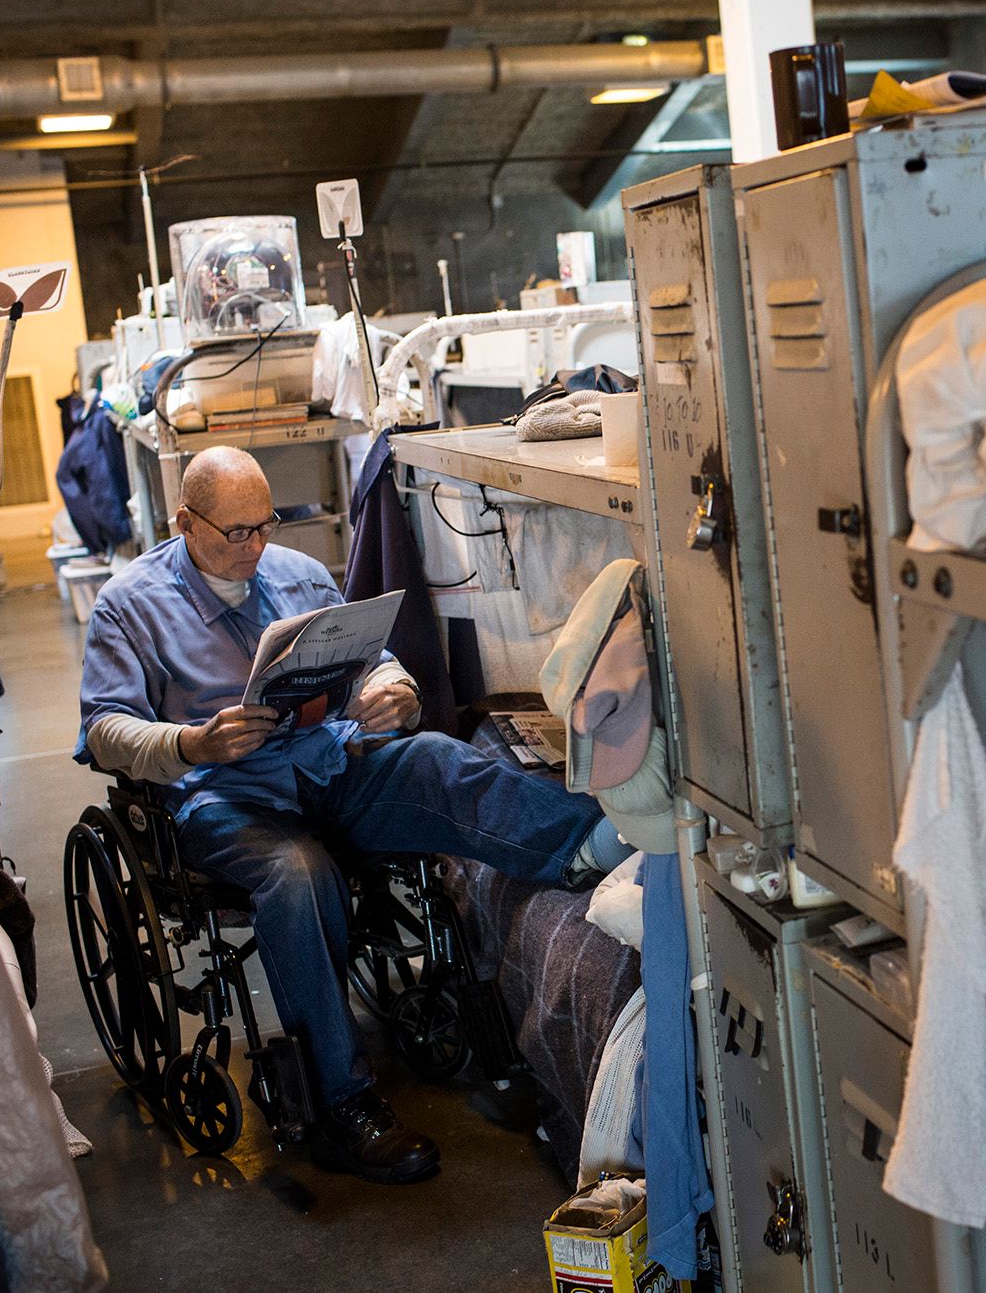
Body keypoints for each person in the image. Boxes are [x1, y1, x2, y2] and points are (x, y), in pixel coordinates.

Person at [75, 446, 629, 1184]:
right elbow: (107, 730)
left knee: (433, 754)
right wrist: (189, 740)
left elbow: (375, 660)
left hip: (327, 765)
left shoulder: (297, 575)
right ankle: (342, 1104)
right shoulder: (128, 605)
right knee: (298, 870)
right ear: (184, 521)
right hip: (222, 796)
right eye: (233, 532)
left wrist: (393, 686)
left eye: (264, 526)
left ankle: (595, 845)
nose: (254, 546)